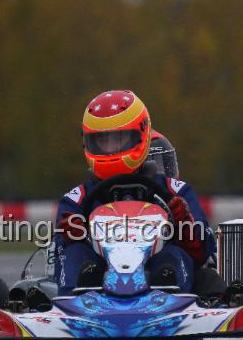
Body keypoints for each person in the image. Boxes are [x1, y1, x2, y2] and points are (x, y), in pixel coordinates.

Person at [54, 89, 219, 296]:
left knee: (172, 255)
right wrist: (72, 236)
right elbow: (58, 255)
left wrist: (183, 223)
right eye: (102, 141)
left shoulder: (175, 191)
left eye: (119, 138)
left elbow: (203, 253)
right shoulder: (76, 199)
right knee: (75, 255)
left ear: (141, 135)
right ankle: (75, 300)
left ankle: (170, 292)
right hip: (99, 285)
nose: (110, 148)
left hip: (157, 286)